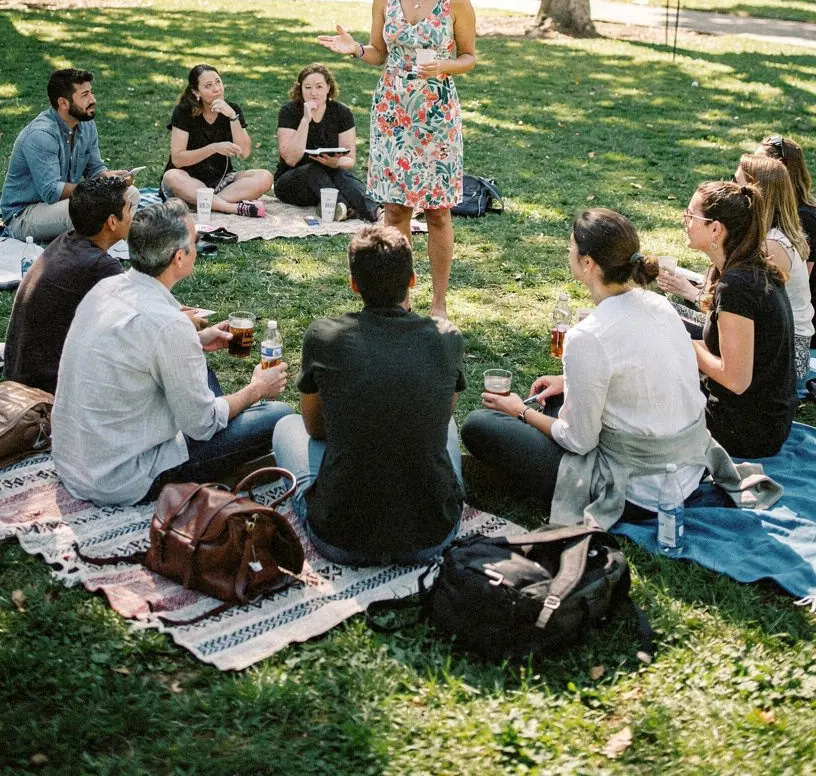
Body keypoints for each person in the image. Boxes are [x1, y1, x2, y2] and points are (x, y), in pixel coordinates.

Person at [462, 209, 714, 526]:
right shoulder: (659, 304)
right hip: (689, 467)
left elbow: (578, 442)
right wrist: (568, 382)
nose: (568, 252)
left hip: (637, 491)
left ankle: (507, 477)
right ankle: (509, 470)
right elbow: (635, 369)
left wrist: (519, 412)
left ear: (588, 263)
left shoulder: (587, 336)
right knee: (553, 400)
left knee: (479, 424)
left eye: (571, 247)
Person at [51, 201, 292, 505]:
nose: (197, 246)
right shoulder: (169, 326)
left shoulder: (105, 289)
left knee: (203, 377)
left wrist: (197, 340)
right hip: (122, 478)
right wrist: (257, 389)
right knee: (279, 415)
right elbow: (201, 426)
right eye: (194, 242)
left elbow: (139, 348)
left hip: (76, 459)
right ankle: (226, 473)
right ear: (179, 257)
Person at [273, 226, 465, 565]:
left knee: (285, 426)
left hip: (342, 537)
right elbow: (442, 414)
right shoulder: (447, 338)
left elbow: (316, 429)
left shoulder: (324, 337)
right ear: (412, 280)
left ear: (354, 283)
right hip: (432, 534)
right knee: (447, 428)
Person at [317, 0, 476, 317]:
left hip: (436, 114)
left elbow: (469, 57)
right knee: (396, 210)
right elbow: (378, 53)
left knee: (438, 211)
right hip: (392, 111)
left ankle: (438, 304)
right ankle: (399, 302)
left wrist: (445, 65)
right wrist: (355, 50)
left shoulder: (456, 1)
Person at [657, 182, 797, 457]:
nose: (685, 221)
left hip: (748, 430)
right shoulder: (744, 268)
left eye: (690, 216)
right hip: (763, 417)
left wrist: (685, 344)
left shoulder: (737, 287)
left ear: (716, 229)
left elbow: (736, 380)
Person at [4, 175, 135, 393]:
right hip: (49, 388)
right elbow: (134, 331)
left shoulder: (67, 239)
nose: (132, 217)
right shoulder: (100, 266)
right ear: (112, 222)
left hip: (19, 372)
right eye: (130, 209)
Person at [0, 68, 130, 243]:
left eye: (91, 92)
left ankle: (106, 240)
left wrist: (110, 179)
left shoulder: (86, 125)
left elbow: (96, 168)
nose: (93, 100)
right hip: (24, 215)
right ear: (63, 103)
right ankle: (103, 242)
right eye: (84, 95)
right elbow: (51, 192)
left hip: (65, 203)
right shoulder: (41, 135)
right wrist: (98, 187)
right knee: (86, 209)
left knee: (131, 195)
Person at [735, 153, 812, 380]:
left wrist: (689, 292)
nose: (730, 188)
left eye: (737, 184)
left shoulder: (772, 245)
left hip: (785, 355)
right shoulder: (769, 234)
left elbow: (744, 309)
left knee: (673, 320)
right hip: (772, 339)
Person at [162, 63, 273, 217]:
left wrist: (233, 117)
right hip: (187, 181)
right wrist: (213, 148)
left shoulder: (232, 110)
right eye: (208, 85)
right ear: (196, 91)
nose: (216, 88)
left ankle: (207, 204)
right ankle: (234, 208)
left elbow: (245, 152)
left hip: (221, 183)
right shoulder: (183, 112)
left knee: (265, 177)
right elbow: (178, 159)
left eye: (218, 82)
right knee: (171, 176)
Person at [274, 64, 379, 222]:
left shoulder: (341, 112)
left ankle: (377, 213)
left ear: (328, 87)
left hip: (329, 176)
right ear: (300, 89)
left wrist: (335, 162)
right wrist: (305, 120)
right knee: (312, 169)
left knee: (342, 174)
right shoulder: (289, 111)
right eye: (308, 87)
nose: (313, 92)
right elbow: (291, 159)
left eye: (319, 87)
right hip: (293, 182)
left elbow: (350, 159)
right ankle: (344, 205)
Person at [758, 134, 816, 342]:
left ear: (778, 167)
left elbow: (798, 279)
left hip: (797, 322)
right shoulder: (782, 213)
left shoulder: (804, 217)